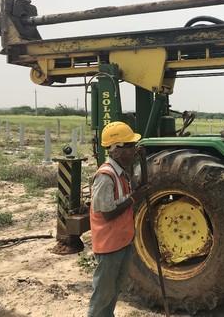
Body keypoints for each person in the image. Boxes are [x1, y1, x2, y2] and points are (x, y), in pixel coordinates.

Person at [88, 121, 146, 317]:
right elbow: (107, 212)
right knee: (103, 294)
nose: (133, 150)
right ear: (115, 150)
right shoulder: (105, 176)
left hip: (121, 242)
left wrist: (139, 156)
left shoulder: (121, 172)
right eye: (129, 146)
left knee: (113, 291)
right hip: (108, 246)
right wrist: (133, 198)